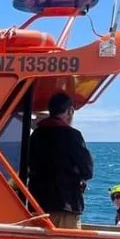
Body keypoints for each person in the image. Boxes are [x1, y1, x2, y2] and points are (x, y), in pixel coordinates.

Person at [26, 91, 94, 229]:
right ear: (70, 111)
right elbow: (87, 171)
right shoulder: (72, 136)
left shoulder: (36, 136)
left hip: (37, 206)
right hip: (65, 206)